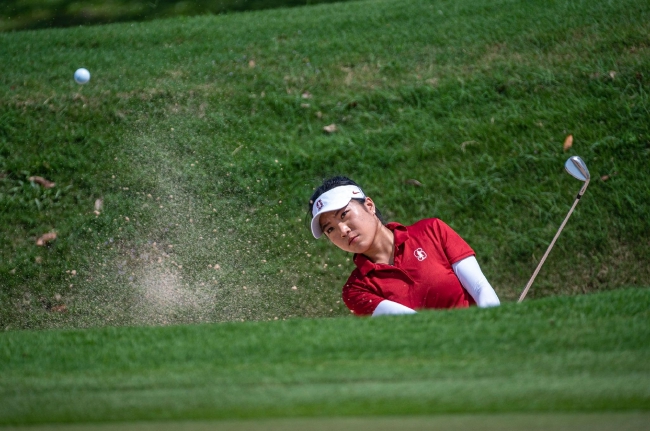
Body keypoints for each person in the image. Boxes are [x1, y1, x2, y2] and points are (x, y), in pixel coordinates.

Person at [308, 176, 500, 316]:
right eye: (330, 229)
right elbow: (415, 326)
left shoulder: (432, 230)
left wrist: (489, 326)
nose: (342, 230)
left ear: (369, 205)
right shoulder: (356, 290)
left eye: (344, 215)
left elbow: (480, 287)